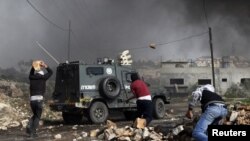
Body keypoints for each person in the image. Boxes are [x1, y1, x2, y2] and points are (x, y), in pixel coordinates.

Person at [26, 60, 53, 138]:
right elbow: (51, 72)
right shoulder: (43, 77)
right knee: (37, 116)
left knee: (35, 115)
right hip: (39, 100)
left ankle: (29, 126)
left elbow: (31, 73)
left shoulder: (32, 77)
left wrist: (34, 66)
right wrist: (45, 65)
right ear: (42, 73)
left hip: (32, 100)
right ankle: (33, 133)